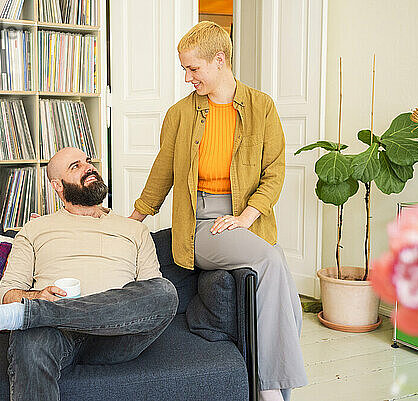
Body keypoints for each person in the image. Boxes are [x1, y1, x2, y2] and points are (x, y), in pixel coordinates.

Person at [129, 21, 307, 401]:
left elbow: (274, 172)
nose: (187, 77)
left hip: (246, 220)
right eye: (184, 69)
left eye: (193, 68)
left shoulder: (262, 107)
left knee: (287, 293)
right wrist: (134, 219)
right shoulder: (180, 114)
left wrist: (247, 216)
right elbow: (163, 171)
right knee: (272, 262)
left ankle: (273, 385)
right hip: (203, 224)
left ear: (220, 60)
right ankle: (270, 389)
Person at [0, 147, 179, 401]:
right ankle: (35, 315)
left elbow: (152, 298)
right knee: (31, 341)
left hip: (116, 335)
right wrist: (38, 295)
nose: (89, 167)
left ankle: (30, 314)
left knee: (165, 291)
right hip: (55, 333)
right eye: (76, 166)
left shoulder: (134, 230)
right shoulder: (34, 229)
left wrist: (38, 309)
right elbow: (7, 294)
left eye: (88, 162)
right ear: (57, 185)